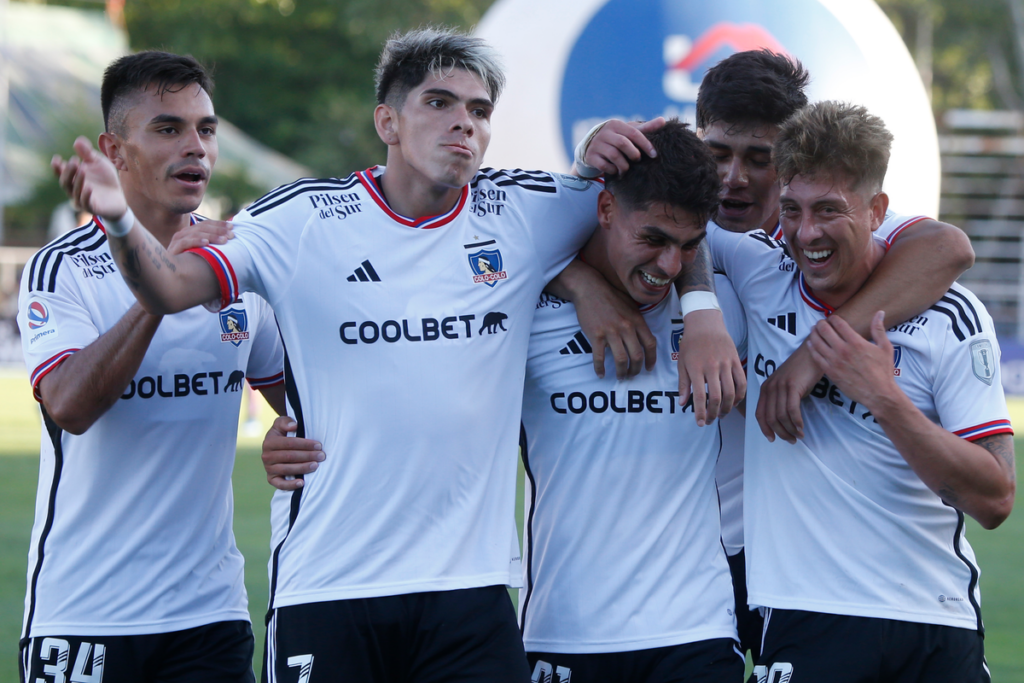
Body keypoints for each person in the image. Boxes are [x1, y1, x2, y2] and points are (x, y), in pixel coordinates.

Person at [50, 29, 739, 682]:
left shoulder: (525, 210)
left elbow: (673, 208)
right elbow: (169, 288)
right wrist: (116, 221)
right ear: (387, 122)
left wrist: (696, 306)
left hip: (469, 594)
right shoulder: (300, 220)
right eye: (438, 103)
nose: (462, 122)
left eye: (478, 109)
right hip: (331, 587)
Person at [265, 120, 747, 683]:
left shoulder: (726, 309)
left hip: (699, 632)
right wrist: (297, 427)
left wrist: (702, 309)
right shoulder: (522, 310)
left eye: (687, 248)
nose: (668, 265)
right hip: (559, 634)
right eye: (653, 241)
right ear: (606, 209)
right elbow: (412, 363)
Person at [563, 48, 976, 661]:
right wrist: (584, 283)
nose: (734, 178)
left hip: (806, 565)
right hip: (680, 562)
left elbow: (946, 247)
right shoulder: (660, 239)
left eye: (760, 159)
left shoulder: (815, 243)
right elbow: (519, 241)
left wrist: (813, 355)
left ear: (790, 162)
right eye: (718, 154)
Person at [709, 101, 1015, 683]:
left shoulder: (949, 314)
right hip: (806, 615)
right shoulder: (759, 273)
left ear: (878, 210)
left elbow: (995, 499)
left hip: (933, 619)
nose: (806, 234)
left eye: (830, 211)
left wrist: (883, 395)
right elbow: (640, 219)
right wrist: (700, 311)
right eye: (793, 211)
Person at [18, 51, 286, 683]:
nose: (195, 146)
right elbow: (70, 405)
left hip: (210, 616)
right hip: (87, 618)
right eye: (168, 129)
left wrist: (291, 433)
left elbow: (306, 400)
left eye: (206, 129)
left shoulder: (241, 264)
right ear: (116, 150)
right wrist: (163, 288)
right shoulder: (64, 267)